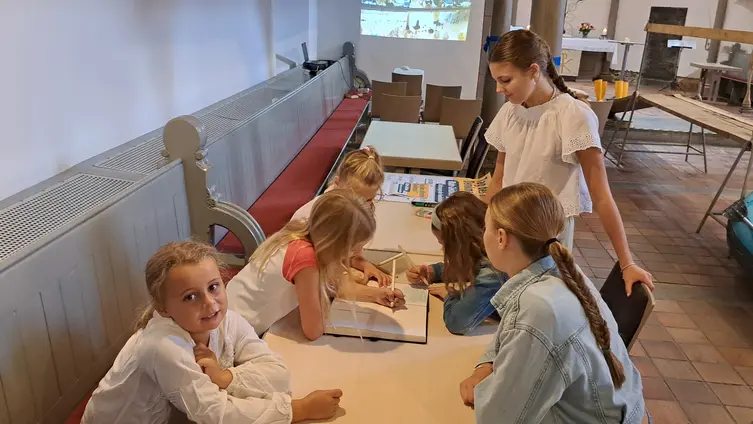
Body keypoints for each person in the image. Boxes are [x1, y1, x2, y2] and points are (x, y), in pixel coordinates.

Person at [82, 241, 342, 424]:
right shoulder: (163, 345)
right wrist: (300, 409)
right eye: (190, 297)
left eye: (214, 287)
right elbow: (215, 414)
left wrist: (226, 377)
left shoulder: (227, 320)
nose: (209, 303)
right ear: (163, 307)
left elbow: (279, 375)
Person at [483, 29, 653, 296]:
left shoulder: (572, 115)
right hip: (508, 230)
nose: (499, 89)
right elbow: (499, 178)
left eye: (505, 80)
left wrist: (626, 263)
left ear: (533, 71)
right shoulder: (510, 112)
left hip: (546, 237)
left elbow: (601, 195)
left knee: (537, 302)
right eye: (496, 80)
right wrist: (480, 228)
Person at [459, 183, 645, 423]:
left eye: (486, 228)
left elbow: (498, 419)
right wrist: (486, 365)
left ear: (501, 238)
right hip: (625, 410)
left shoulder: (538, 310)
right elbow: (510, 336)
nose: (483, 235)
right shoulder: (563, 271)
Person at [228, 189, 405, 340]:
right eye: (353, 249)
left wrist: (375, 295)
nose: (355, 255)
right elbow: (313, 331)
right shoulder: (305, 259)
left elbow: (329, 286)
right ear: (335, 243)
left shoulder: (302, 232)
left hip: (231, 315)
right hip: (231, 334)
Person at [405, 192, 506, 335]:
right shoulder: (488, 247)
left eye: (444, 244)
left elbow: (457, 321)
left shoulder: (496, 270)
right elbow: (472, 264)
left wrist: (450, 294)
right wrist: (433, 272)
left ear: (461, 244)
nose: (442, 249)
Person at [292, 145, 391, 286]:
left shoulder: (351, 209)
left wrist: (364, 264)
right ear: (337, 183)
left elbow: (348, 254)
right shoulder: (320, 218)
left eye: (369, 200)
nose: (362, 208)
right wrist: (368, 292)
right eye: (356, 199)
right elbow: (317, 276)